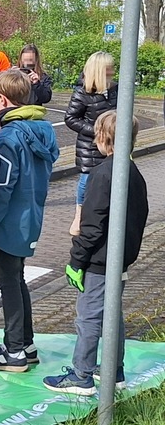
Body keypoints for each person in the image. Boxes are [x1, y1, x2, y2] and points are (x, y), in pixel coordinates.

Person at [44, 112, 148, 395]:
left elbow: (92, 224)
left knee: (88, 316)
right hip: (120, 258)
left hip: (99, 261)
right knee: (112, 314)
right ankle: (114, 369)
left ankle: (82, 374)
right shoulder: (132, 172)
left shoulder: (102, 174)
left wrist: (77, 260)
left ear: (102, 138)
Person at [0, 69, 59, 373]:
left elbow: (1, 189)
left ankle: (13, 352)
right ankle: (26, 342)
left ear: (2, 99)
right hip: (31, 217)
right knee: (17, 279)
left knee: (8, 283)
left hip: (9, 222)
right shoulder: (44, 131)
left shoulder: (8, 139)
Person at [64, 52, 118, 237]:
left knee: (112, 179)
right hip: (90, 146)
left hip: (112, 145)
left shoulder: (116, 89)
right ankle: (79, 216)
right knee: (87, 180)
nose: (113, 71)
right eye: (109, 68)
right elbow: (71, 118)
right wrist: (97, 131)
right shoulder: (83, 92)